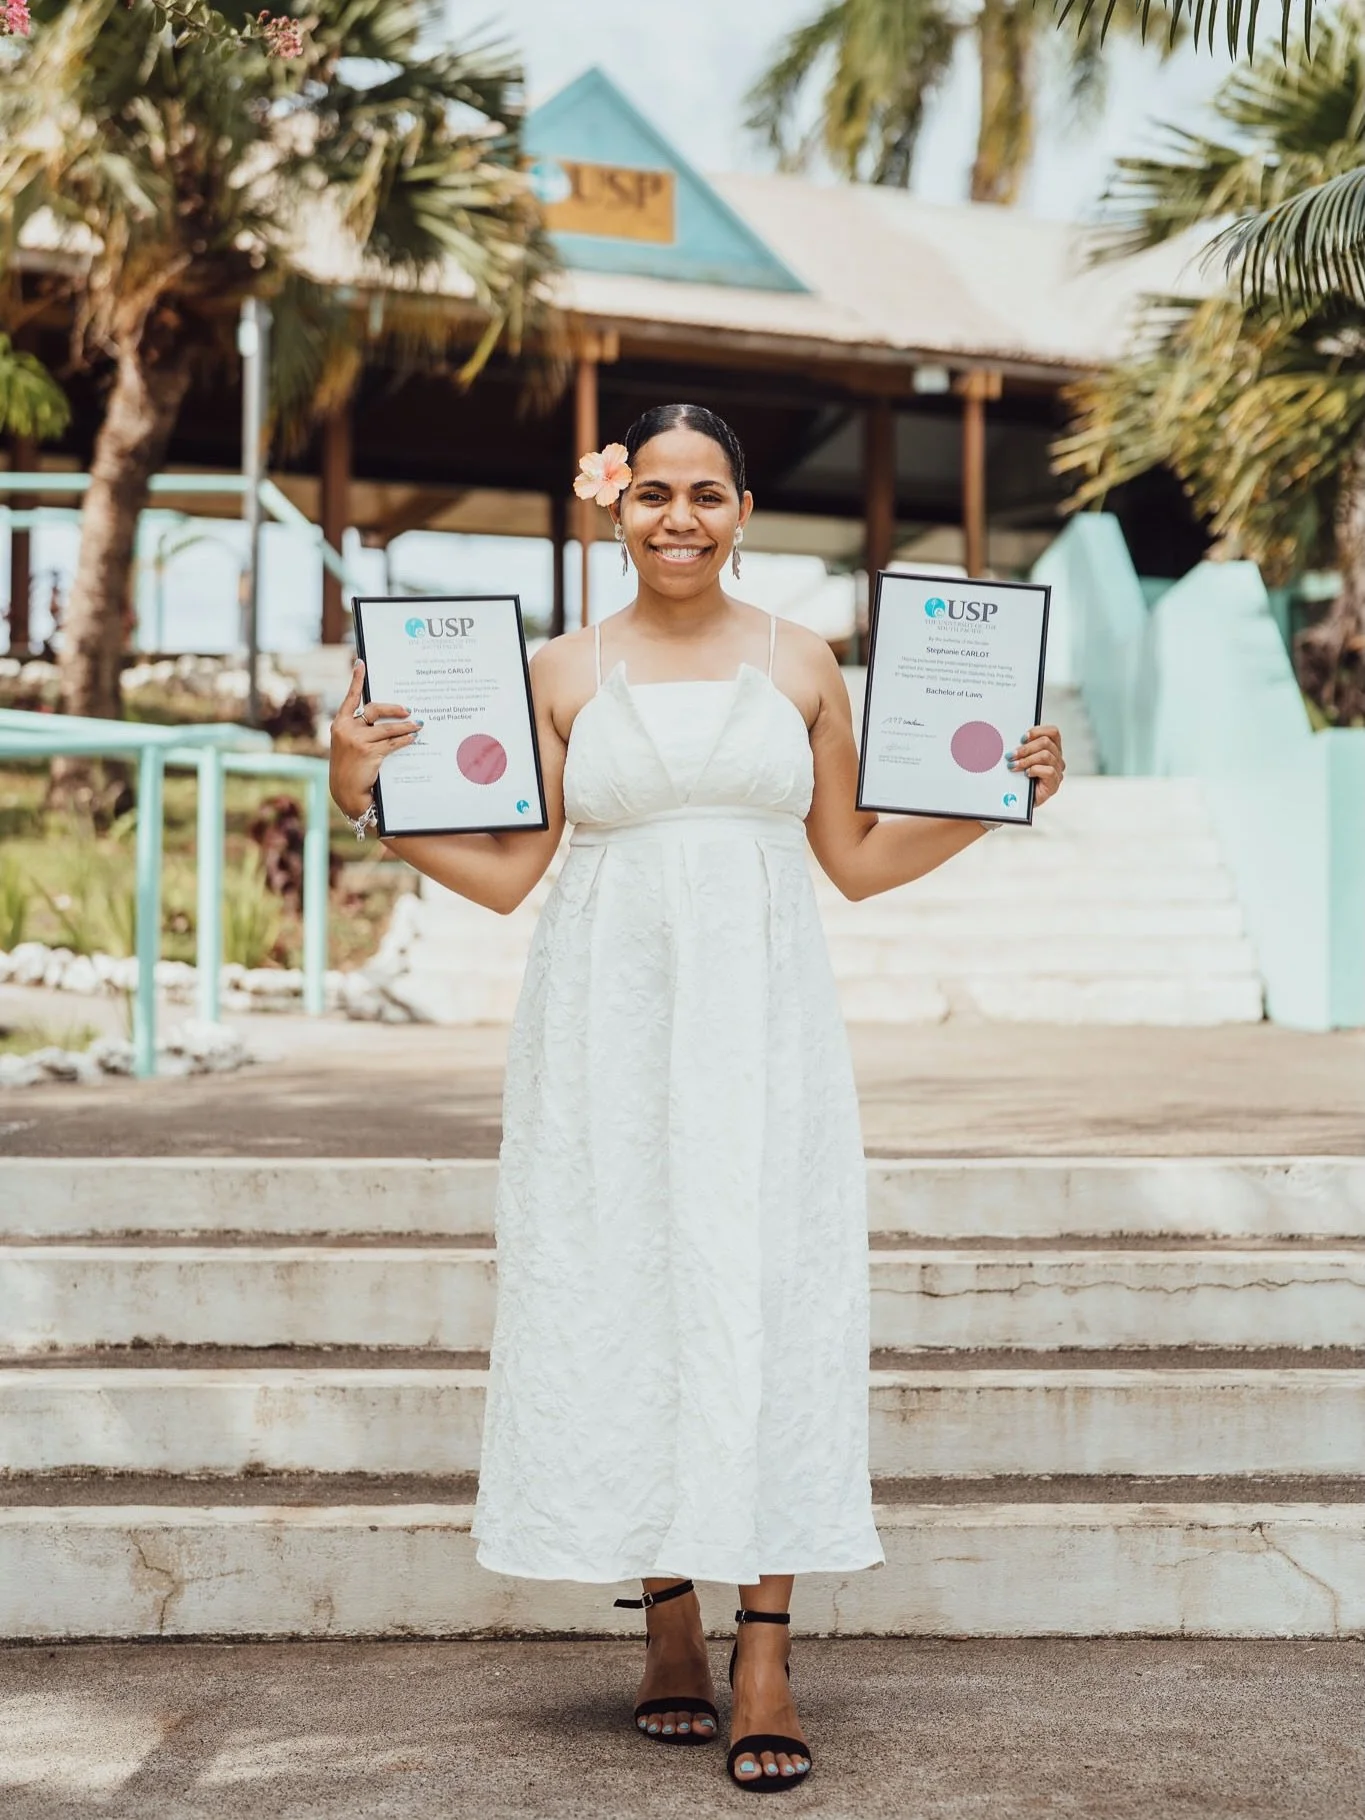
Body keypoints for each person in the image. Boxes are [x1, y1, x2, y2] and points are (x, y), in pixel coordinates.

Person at [329, 402, 1066, 1794]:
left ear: (741, 510)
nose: (680, 518)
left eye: (708, 494)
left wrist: (993, 796)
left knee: (765, 1292)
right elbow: (502, 874)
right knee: (628, 1290)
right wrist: (355, 785)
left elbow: (850, 855)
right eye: (654, 492)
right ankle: (667, 1620)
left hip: (765, 1028)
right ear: (614, 507)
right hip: (603, 1031)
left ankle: (766, 1650)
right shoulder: (552, 671)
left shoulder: (804, 662)